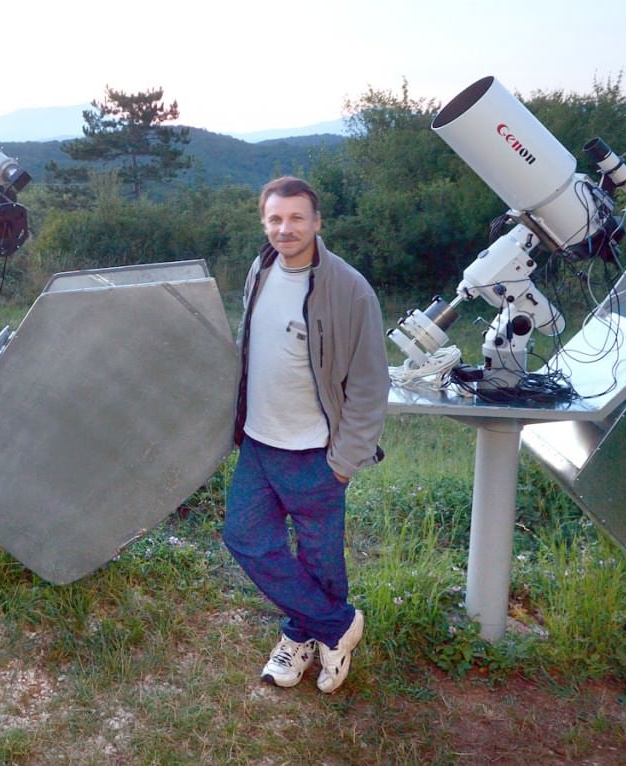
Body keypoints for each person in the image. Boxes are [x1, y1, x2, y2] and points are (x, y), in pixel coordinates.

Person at [223, 176, 389, 693]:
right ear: (263, 223)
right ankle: (337, 626)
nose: (285, 228)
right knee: (245, 538)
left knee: (320, 561)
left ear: (317, 222)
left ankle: (300, 639)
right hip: (258, 442)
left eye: (296, 217)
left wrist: (345, 460)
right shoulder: (261, 269)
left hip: (315, 452)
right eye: (275, 218)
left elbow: (370, 382)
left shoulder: (349, 290)